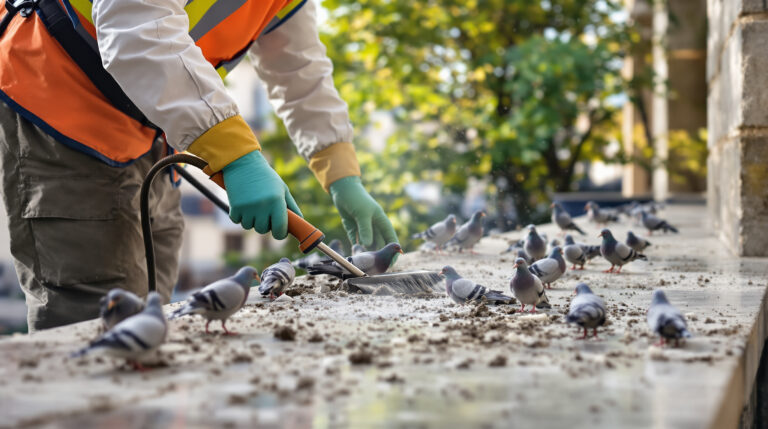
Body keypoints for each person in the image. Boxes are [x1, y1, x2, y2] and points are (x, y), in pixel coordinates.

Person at [0, 0, 398, 331]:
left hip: (147, 125)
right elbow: (134, 24)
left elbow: (300, 69)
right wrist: (235, 154)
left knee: (152, 306)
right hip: (60, 104)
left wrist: (340, 171)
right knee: (101, 313)